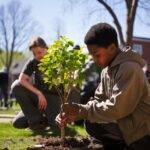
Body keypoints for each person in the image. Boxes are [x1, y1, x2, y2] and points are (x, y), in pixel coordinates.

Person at [55, 23, 150, 150]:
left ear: (111, 47)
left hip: (142, 134)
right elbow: (98, 100)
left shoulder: (130, 68)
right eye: (92, 56)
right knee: (90, 122)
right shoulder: (107, 71)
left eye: (97, 55)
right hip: (126, 127)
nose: (94, 60)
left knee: (91, 117)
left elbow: (118, 108)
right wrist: (77, 113)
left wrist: (82, 110)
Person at [11, 37, 60, 131]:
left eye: (39, 52)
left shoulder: (56, 60)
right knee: (17, 122)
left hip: (53, 100)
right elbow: (22, 79)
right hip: (38, 99)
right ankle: (37, 122)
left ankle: (45, 120)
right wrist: (39, 93)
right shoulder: (33, 62)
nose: (37, 55)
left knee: (57, 127)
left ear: (46, 48)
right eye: (34, 53)